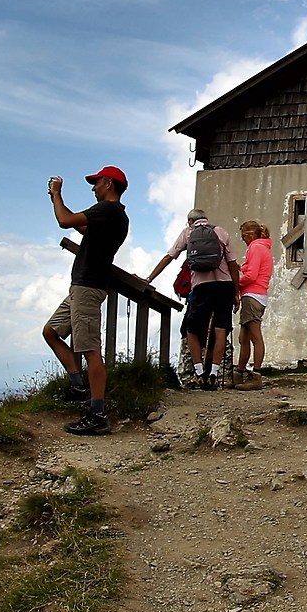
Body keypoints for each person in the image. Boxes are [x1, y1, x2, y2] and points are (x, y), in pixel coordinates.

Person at [44, 166, 130, 435]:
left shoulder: (107, 210)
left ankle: (97, 413)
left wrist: (57, 195)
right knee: (51, 331)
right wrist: (59, 202)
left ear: (108, 183)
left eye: (96, 183)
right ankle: (78, 385)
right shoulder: (115, 216)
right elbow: (80, 225)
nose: (93, 188)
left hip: (88, 286)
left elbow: (64, 221)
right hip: (83, 286)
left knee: (90, 349)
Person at [150, 209, 239, 391]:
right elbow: (232, 264)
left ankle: (199, 372)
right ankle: (214, 372)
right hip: (224, 286)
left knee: (191, 330)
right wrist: (236, 292)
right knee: (220, 329)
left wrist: (149, 278)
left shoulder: (188, 233)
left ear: (191, 220)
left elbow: (170, 256)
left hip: (201, 287)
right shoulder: (221, 232)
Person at [233, 220, 274, 388]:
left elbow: (251, 276)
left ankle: (256, 375)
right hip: (256, 295)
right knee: (244, 337)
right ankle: (240, 372)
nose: (243, 240)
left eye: (243, 237)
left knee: (255, 336)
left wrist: (235, 283)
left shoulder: (255, 248)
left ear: (250, 235)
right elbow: (251, 270)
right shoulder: (262, 248)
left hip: (252, 294)